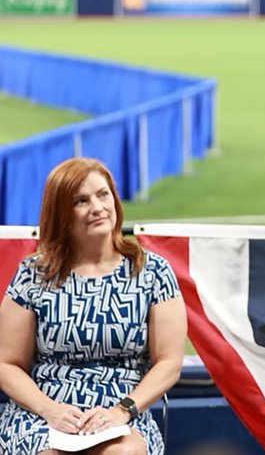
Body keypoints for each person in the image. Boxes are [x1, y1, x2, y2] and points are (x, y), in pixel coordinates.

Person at [0, 158, 187, 455]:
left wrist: (121, 412)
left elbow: (168, 363)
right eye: (81, 201)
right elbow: (6, 364)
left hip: (122, 410)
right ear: (61, 214)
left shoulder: (152, 272)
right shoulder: (33, 274)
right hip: (43, 410)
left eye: (103, 194)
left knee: (121, 453)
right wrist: (51, 410)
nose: (98, 208)